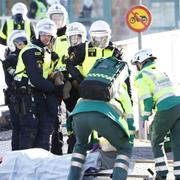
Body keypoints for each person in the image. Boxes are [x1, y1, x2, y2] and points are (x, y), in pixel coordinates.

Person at [67, 57, 135, 180]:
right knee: (125, 148)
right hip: (103, 115)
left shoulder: (91, 81)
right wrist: (130, 136)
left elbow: (88, 119)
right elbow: (129, 115)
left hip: (78, 114)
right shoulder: (120, 87)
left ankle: (72, 177)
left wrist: (94, 140)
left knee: (80, 145)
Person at [14, 18, 64, 150]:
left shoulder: (45, 51)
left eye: (49, 35)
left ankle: (41, 163)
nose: (46, 38)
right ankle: (25, 165)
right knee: (29, 129)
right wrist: (54, 89)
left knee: (45, 128)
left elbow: (46, 74)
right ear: (38, 34)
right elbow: (36, 78)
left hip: (38, 94)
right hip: (26, 94)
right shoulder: (31, 51)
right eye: (43, 34)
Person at [131, 48, 180, 179]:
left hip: (166, 107)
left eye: (137, 64)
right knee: (178, 142)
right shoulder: (161, 71)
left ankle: (161, 174)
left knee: (156, 140)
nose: (137, 67)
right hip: (178, 104)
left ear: (141, 62)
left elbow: (146, 98)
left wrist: (145, 115)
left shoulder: (141, 76)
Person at [1, 30, 28, 150]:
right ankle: (16, 154)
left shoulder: (27, 55)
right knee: (18, 127)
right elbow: (12, 79)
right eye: (19, 43)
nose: (22, 45)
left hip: (26, 96)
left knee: (26, 127)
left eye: (24, 42)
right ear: (13, 44)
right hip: (16, 98)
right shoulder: (11, 59)